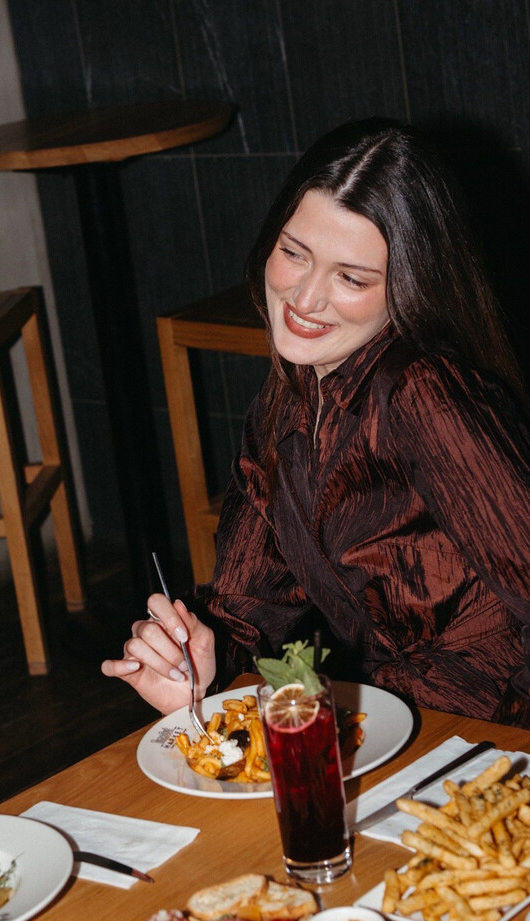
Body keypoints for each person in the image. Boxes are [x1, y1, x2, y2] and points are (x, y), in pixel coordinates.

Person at [103, 118, 530, 729]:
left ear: (409, 288)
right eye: (294, 254)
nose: (304, 298)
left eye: (351, 278)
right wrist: (198, 665)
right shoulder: (287, 398)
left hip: (483, 741)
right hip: (382, 728)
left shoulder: (423, 393)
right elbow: (250, 614)